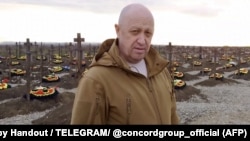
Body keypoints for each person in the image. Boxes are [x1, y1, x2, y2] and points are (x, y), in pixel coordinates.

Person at [70, 3, 179, 124]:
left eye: (148, 33)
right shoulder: (96, 81)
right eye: (135, 31)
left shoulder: (161, 71)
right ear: (118, 30)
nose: (142, 41)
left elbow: (173, 117)